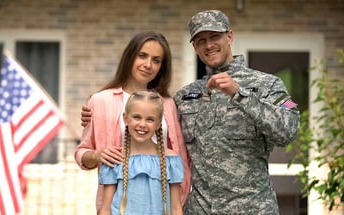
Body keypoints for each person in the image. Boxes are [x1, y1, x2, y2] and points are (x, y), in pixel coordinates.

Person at [173, 10, 300, 214]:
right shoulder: (184, 96)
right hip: (200, 210)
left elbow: (288, 131)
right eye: (201, 40)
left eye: (215, 36)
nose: (208, 45)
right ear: (195, 47)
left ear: (229, 36)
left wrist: (239, 94)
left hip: (252, 208)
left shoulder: (268, 84)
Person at [75, 31, 191, 212]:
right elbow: (82, 152)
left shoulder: (168, 105)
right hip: (118, 206)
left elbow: (178, 158)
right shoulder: (100, 101)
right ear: (130, 57)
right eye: (142, 56)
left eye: (156, 60)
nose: (148, 65)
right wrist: (97, 155)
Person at [98, 91, 183, 215]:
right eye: (137, 117)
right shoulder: (115, 158)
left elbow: (176, 208)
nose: (142, 124)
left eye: (150, 119)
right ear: (125, 118)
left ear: (159, 124)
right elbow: (105, 209)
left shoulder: (171, 160)